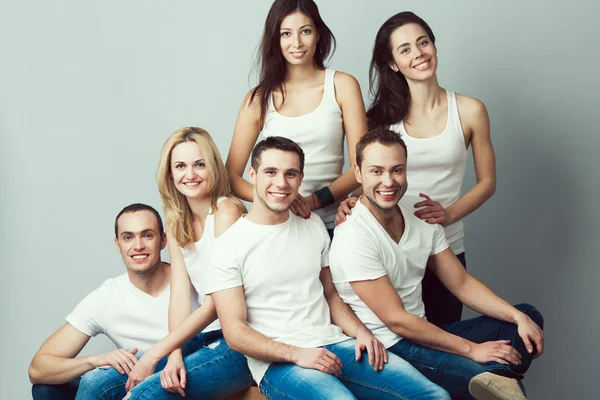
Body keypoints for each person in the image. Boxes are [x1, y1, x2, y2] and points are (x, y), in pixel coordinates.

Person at [208, 136, 450, 399]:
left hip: (335, 342)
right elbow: (234, 332)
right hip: (280, 362)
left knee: (433, 395)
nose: (281, 183)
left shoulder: (311, 224)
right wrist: (297, 354)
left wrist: (362, 332)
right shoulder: (228, 245)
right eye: (271, 172)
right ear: (252, 175)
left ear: (301, 178)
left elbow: (331, 296)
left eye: (290, 174)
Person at [329, 128, 544, 400]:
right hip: (387, 345)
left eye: (397, 170)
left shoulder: (419, 213)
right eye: (376, 171)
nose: (388, 181)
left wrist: (516, 317)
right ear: (358, 174)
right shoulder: (353, 235)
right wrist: (471, 349)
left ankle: (492, 373)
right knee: (492, 385)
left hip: (423, 331)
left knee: (527, 319)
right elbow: (397, 321)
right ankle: (490, 373)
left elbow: (462, 283)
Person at [336, 11, 496, 326]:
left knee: (446, 340)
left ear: (434, 47)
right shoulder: (378, 119)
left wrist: (448, 215)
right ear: (393, 63)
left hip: (444, 245)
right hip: (388, 246)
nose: (418, 53)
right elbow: (365, 178)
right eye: (405, 49)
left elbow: (487, 182)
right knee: (400, 341)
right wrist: (348, 200)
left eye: (423, 43)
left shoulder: (470, 110)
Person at [124, 127, 253, 399]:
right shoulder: (175, 224)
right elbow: (180, 298)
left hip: (243, 340)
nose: (190, 174)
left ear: (213, 168)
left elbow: (217, 302)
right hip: (206, 336)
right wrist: (174, 354)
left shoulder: (226, 211)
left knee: (143, 396)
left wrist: (157, 352)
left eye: (199, 165)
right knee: (98, 385)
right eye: (180, 166)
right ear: (169, 173)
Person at [226, 0, 368, 237]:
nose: (297, 43)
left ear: (318, 35)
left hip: (336, 224)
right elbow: (229, 177)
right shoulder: (258, 99)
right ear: (275, 39)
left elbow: (361, 167)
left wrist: (313, 201)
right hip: (277, 226)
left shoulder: (342, 86)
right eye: (286, 33)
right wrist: (282, 198)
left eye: (305, 31)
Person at [28, 203, 199, 400]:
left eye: (147, 235)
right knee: (46, 390)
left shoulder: (192, 281)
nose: (138, 246)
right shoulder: (107, 297)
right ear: (118, 245)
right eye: (128, 237)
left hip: (182, 376)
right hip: (131, 383)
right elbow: (38, 368)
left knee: (97, 385)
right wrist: (96, 360)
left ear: (163, 240)